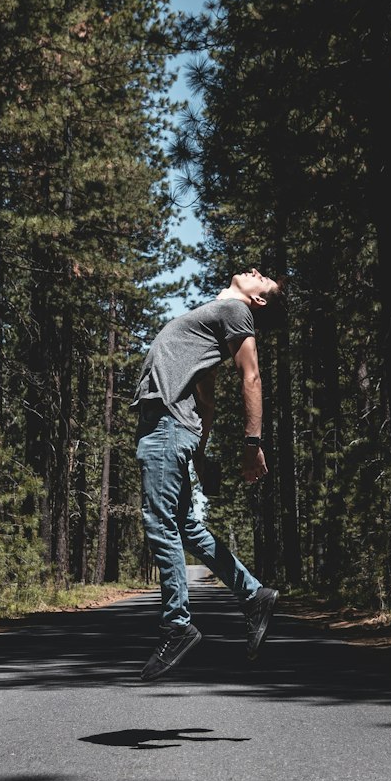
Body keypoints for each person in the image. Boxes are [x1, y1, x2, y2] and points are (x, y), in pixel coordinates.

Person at [132, 268, 287, 681]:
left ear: (259, 301)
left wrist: (252, 445)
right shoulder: (215, 317)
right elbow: (207, 397)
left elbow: (250, 376)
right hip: (170, 429)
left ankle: (176, 625)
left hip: (164, 426)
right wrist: (199, 454)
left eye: (264, 279)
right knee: (184, 525)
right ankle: (253, 595)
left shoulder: (237, 313)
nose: (256, 272)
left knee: (160, 523)